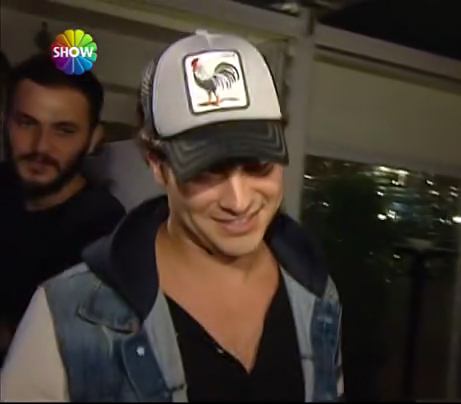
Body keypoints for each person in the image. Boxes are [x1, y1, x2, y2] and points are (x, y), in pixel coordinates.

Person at [0, 31, 344, 402]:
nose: (239, 200)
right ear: (157, 164)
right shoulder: (67, 313)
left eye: (258, 165)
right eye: (206, 172)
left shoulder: (315, 293)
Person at [0, 54, 125, 363]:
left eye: (64, 130)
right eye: (27, 123)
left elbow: (60, 351)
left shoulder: (104, 231)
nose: (41, 146)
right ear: (5, 122)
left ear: (94, 139)